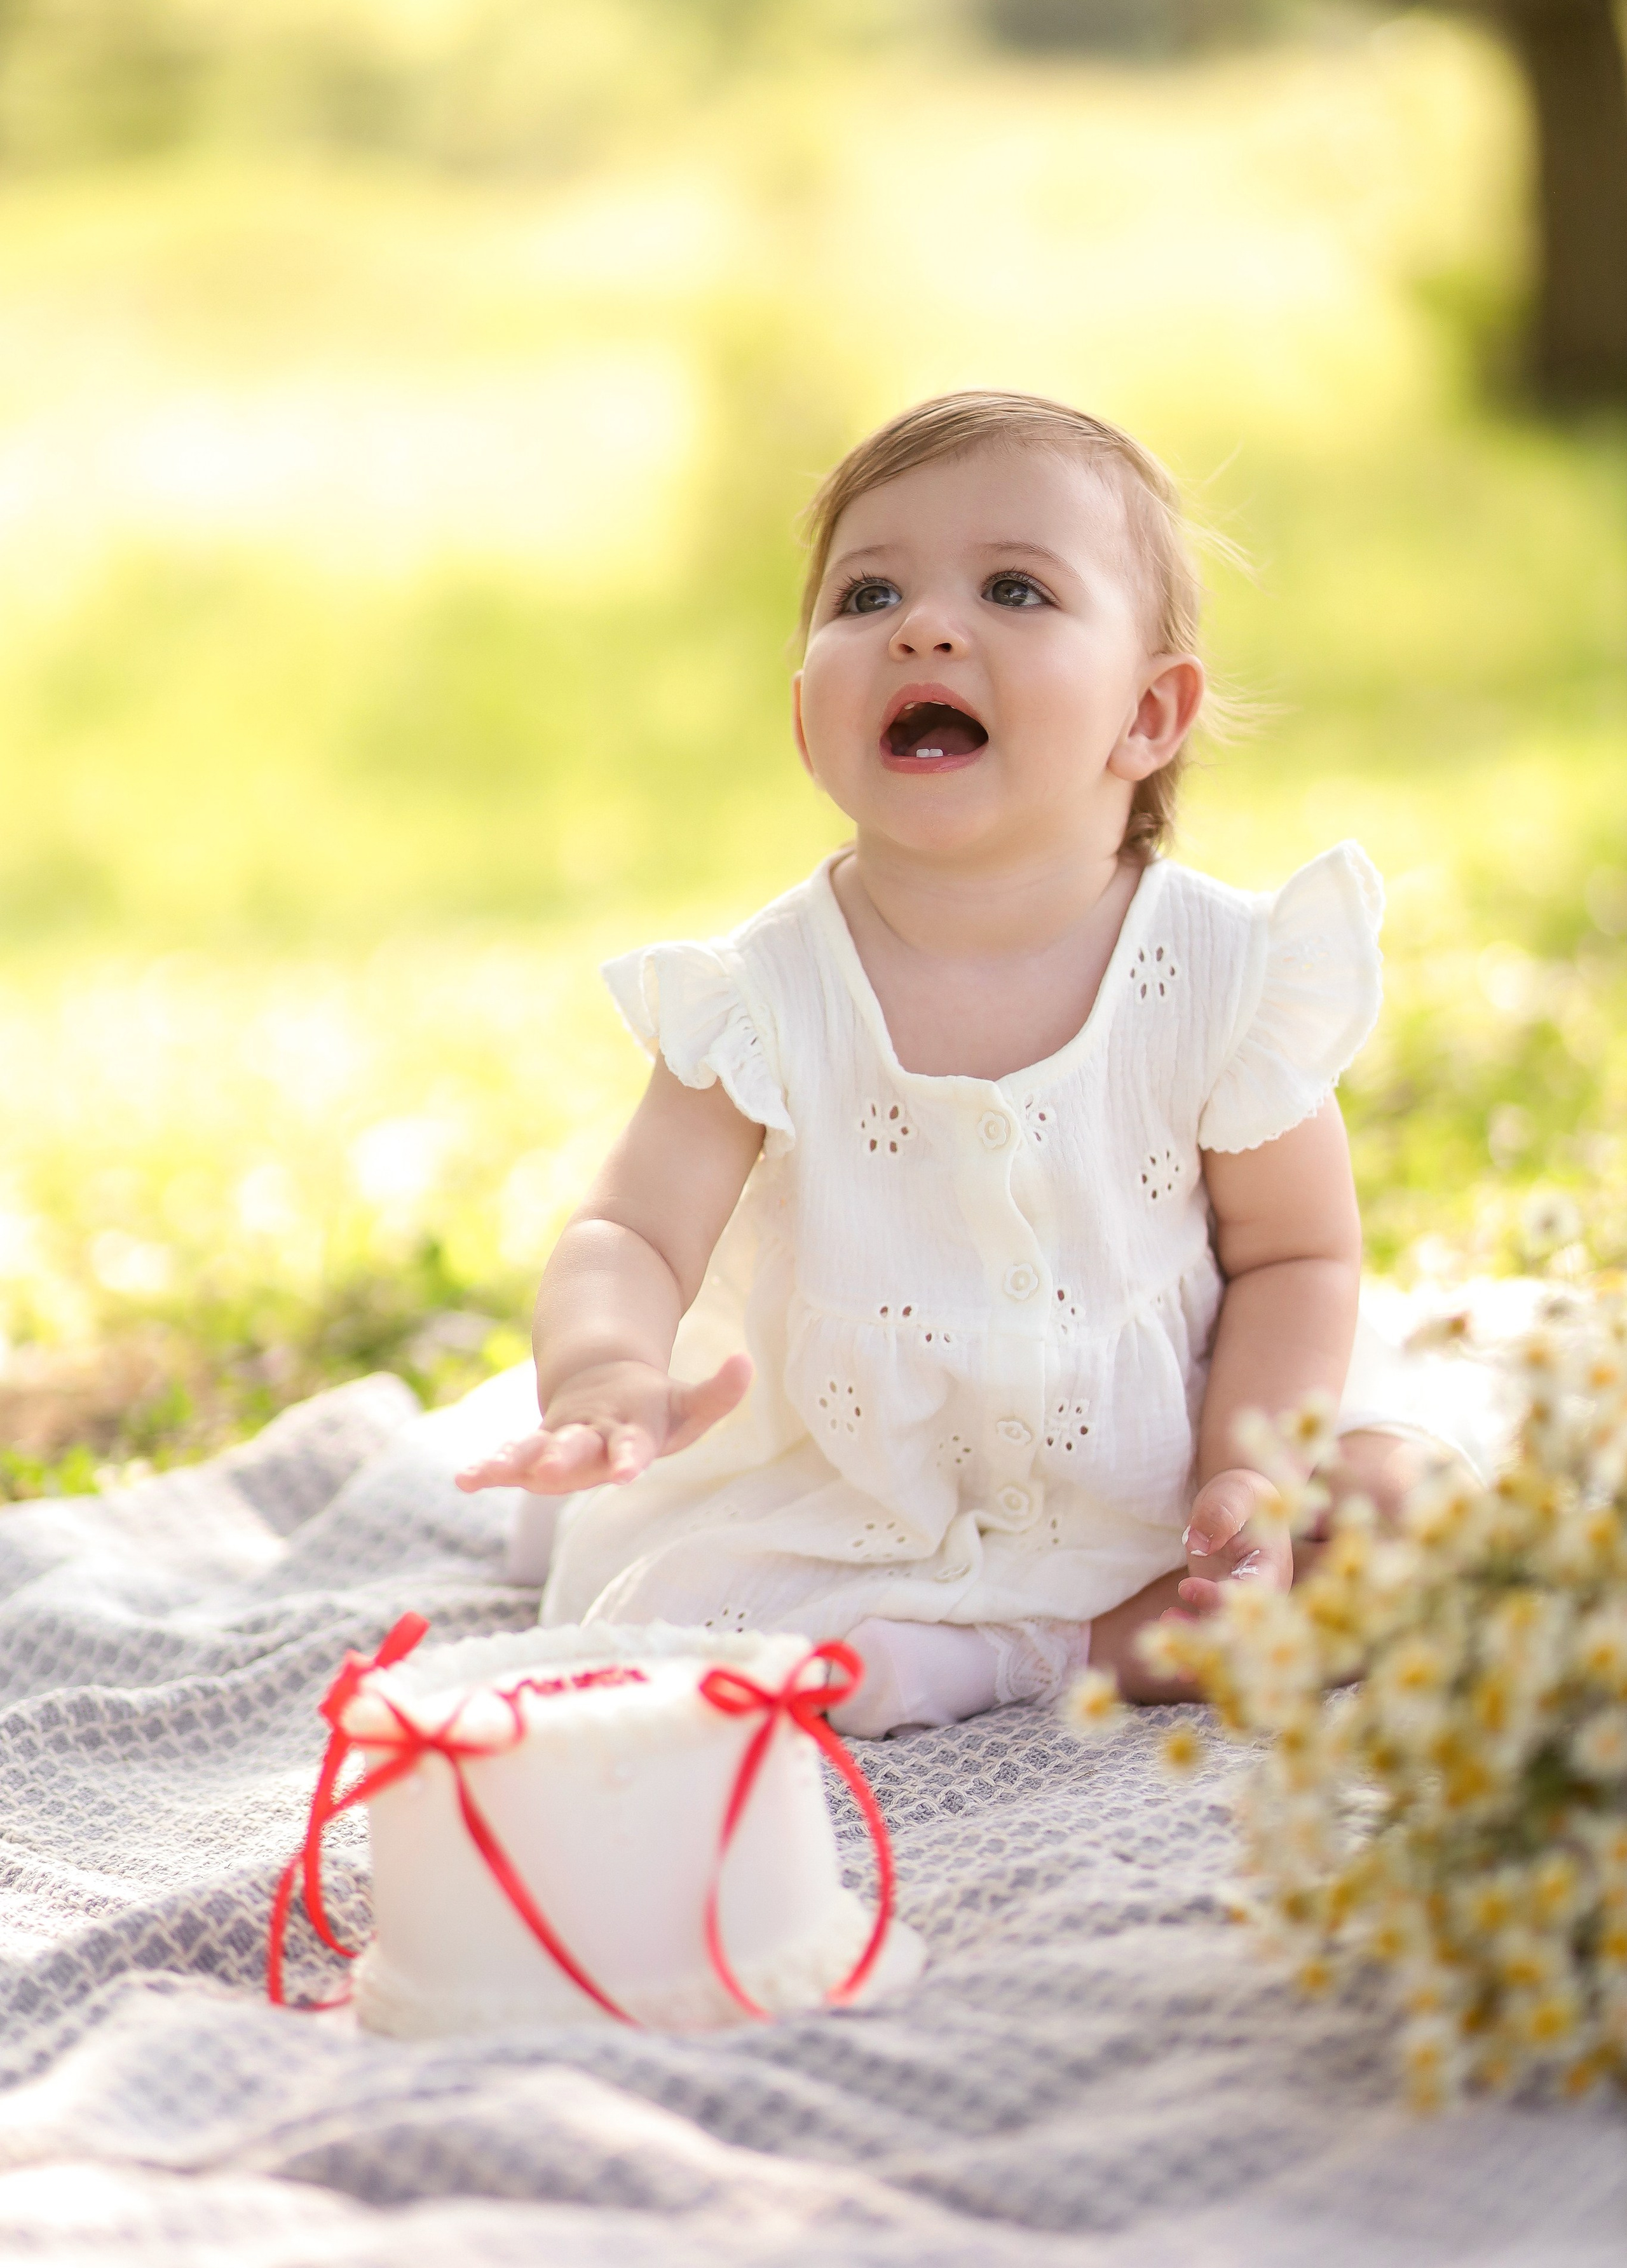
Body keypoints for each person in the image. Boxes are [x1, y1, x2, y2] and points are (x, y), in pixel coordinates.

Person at [456, 391, 1445, 1734]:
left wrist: (1245, 1481)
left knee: (1424, 1527)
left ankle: (1041, 1644)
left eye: (1013, 589)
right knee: (682, 1631)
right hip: (858, 1486)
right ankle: (1033, 1643)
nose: (921, 625)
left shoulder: (1224, 979)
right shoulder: (764, 999)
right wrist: (605, 1375)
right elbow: (629, 1228)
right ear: (807, 724)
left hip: (1159, 1465)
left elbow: (1294, 1258)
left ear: (1148, 716)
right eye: (867, 594)